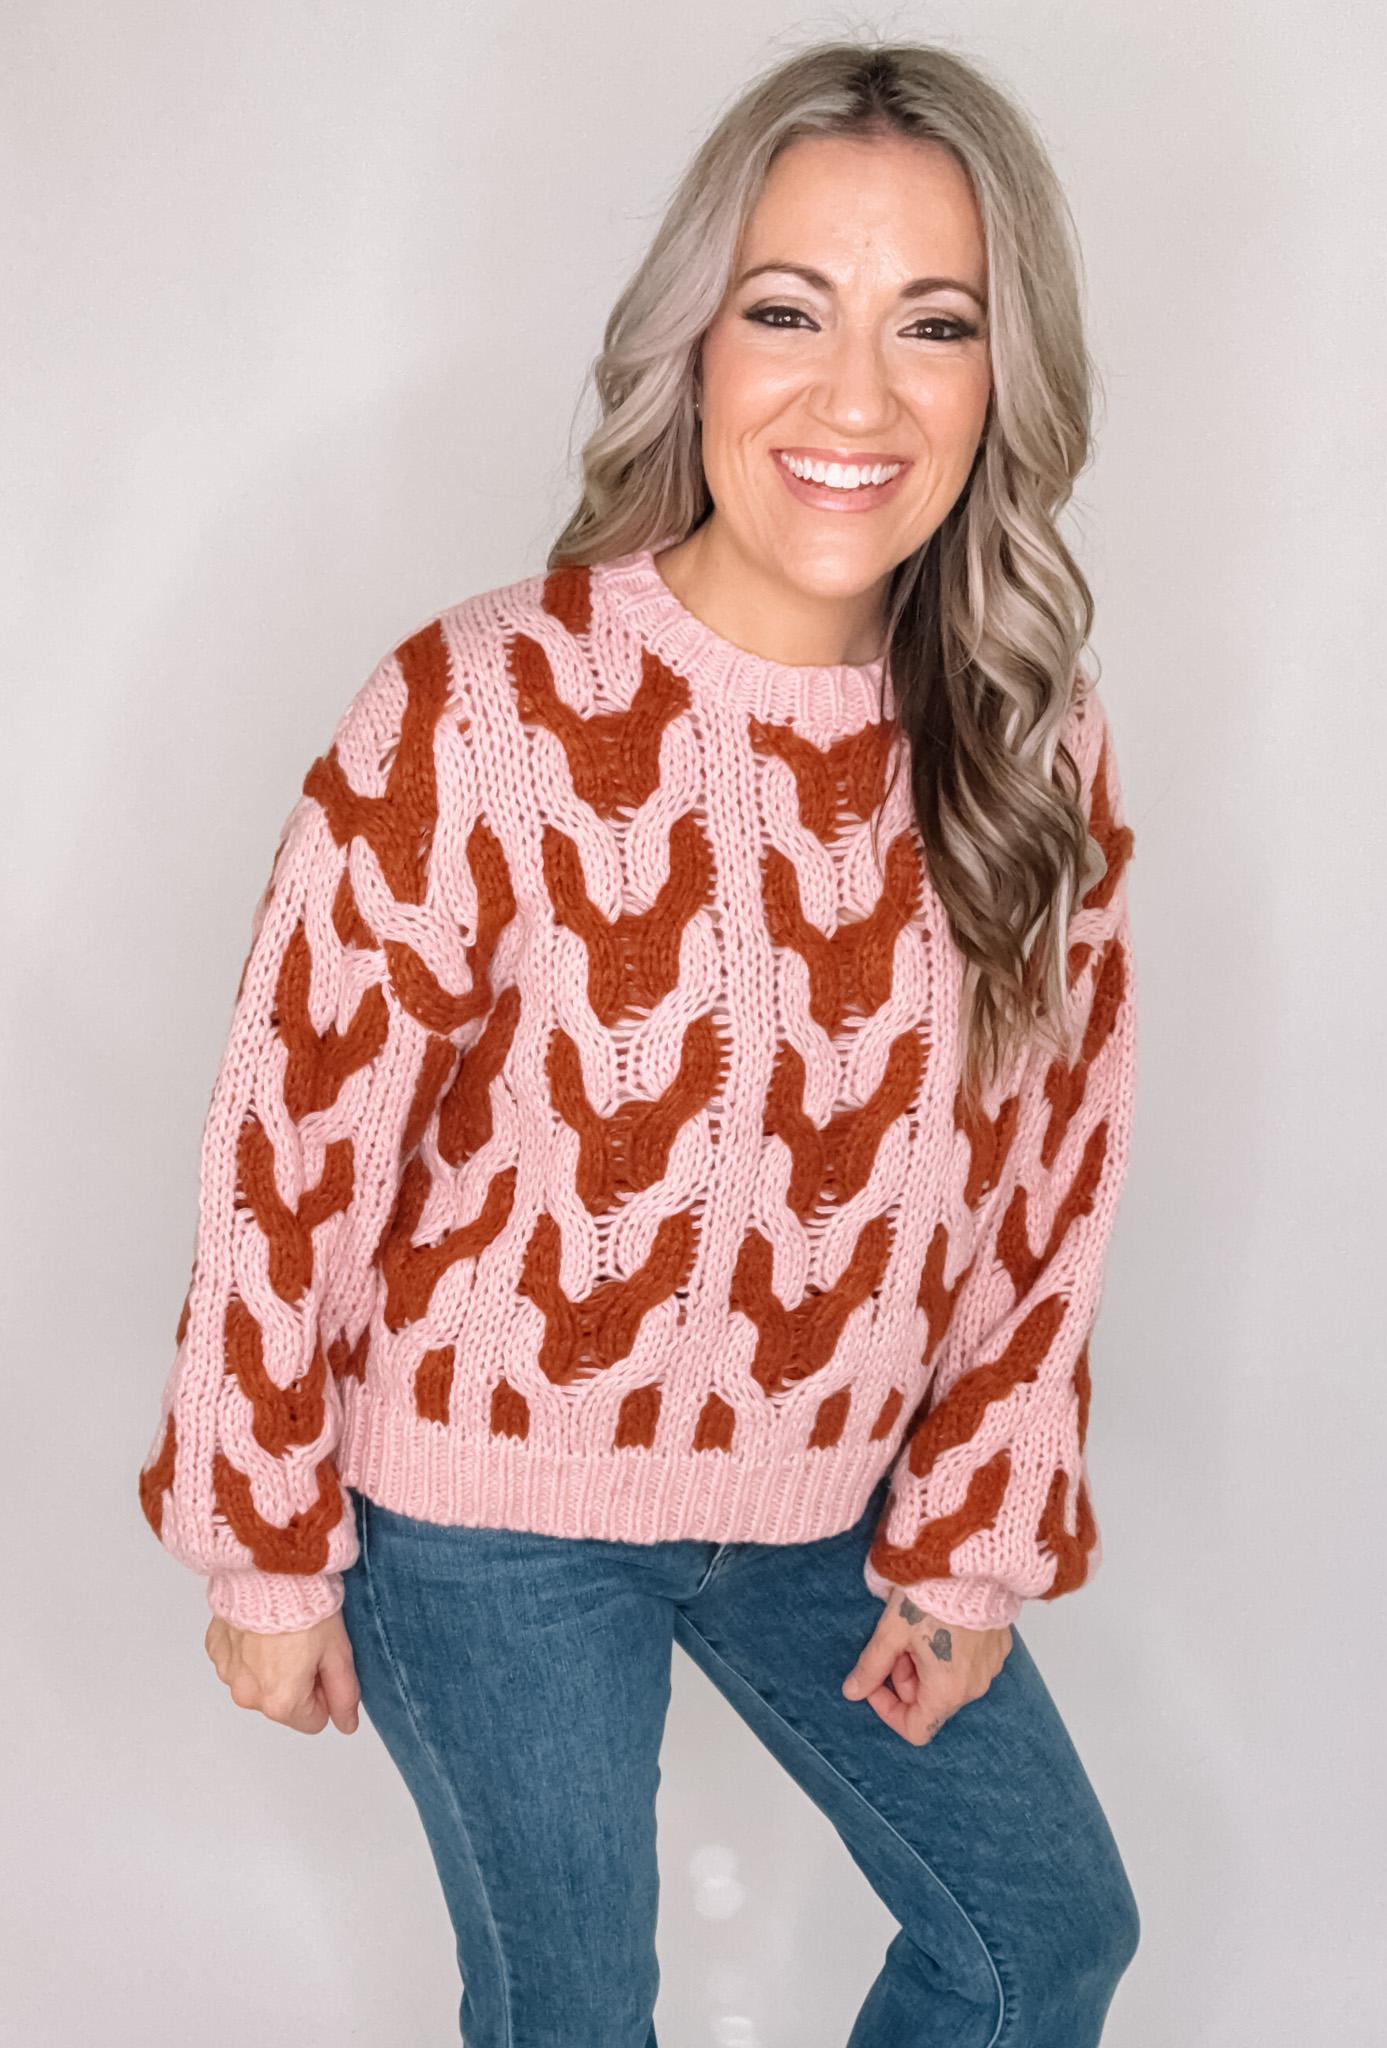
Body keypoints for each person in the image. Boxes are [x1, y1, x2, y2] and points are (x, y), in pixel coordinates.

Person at [136, 37, 1143, 2048]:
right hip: (487, 1514)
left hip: (830, 1500)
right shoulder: (479, 709)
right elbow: (292, 1141)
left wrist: (969, 1540)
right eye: (790, 310)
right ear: (695, 343)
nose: (855, 398)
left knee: (1037, 1942)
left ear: (1001, 380)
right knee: (575, 2016)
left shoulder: (1028, 738)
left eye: (935, 325)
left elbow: (1055, 1163)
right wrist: (264, 1545)